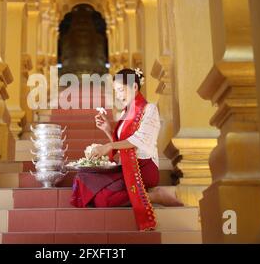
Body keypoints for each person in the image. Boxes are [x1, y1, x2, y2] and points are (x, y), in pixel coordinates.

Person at [70, 68, 183, 231]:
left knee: (103, 199)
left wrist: (109, 145)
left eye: (121, 90)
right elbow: (122, 145)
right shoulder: (124, 114)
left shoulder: (149, 109)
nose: (118, 95)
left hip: (143, 167)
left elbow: (140, 140)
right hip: (125, 167)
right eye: (116, 91)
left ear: (134, 88)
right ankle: (143, 195)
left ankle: (151, 196)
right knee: (83, 179)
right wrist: (108, 130)